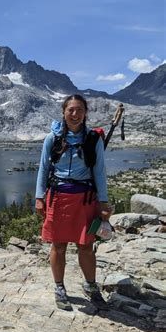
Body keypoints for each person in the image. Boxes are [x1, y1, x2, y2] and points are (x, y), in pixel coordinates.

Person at [35, 94, 112, 311]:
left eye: (79, 110)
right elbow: (43, 168)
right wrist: (39, 197)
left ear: (85, 113)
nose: (75, 114)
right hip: (58, 197)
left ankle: (90, 286)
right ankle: (59, 287)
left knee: (86, 245)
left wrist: (103, 202)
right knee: (58, 245)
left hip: (85, 199)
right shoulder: (53, 138)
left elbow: (99, 172)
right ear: (64, 112)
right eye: (71, 110)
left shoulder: (93, 139)